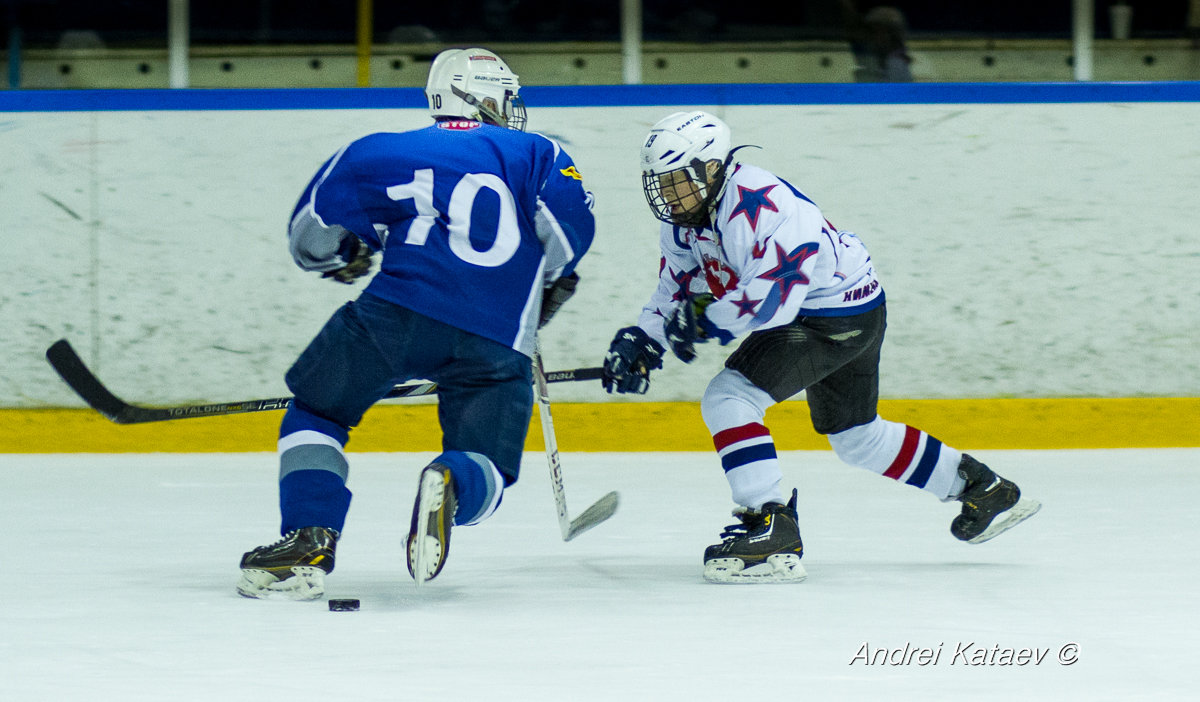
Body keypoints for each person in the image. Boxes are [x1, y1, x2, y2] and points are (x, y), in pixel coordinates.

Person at [601, 111, 1039, 584]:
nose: (668, 193)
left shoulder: (761, 204)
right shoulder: (688, 223)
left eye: (677, 180)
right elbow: (674, 293)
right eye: (660, 182)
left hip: (830, 318)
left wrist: (706, 322)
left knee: (729, 398)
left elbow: (772, 302)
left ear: (711, 169)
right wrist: (643, 337)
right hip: (848, 311)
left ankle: (770, 525)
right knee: (856, 437)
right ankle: (981, 488)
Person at [237, 48, 595, 600]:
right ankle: (451, 483)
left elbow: (309, 235)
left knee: (317, 413)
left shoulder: (377, 150)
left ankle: (306, 541)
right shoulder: (538, 152)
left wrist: (345, 255)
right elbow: (570, 236)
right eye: (504, 92)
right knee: (490, 469)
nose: (512, 105)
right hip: (497, 339)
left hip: (392, 317)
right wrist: (547, 281)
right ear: (477, 94)